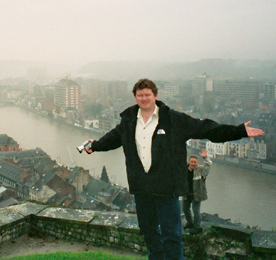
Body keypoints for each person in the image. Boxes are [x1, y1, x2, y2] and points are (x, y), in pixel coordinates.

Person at [82, 78, 265, 260]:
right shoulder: (129, 121)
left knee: (172, 235)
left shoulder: (174, 120)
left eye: (147, 95)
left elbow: (206, 129)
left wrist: (239, 131)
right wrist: (95, 145)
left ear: (155, 96)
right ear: (135, 97)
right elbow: (113, 139)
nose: (144, 98)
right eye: (140, 95)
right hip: (142, 187)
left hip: (166, 187)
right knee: (148, 232)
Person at [183, 148, 212, 235]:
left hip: (196, 194)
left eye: (195, 162)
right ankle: (190, 222)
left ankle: (197, 227)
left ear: (197, 163)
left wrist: (205, 157)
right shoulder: (184, 170)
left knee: (196, 211)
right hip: (186, 194)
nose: (193, 164)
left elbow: (208, 165)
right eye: (192, 162)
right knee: (185, 209)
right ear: (189, 162)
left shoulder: (200, 170)